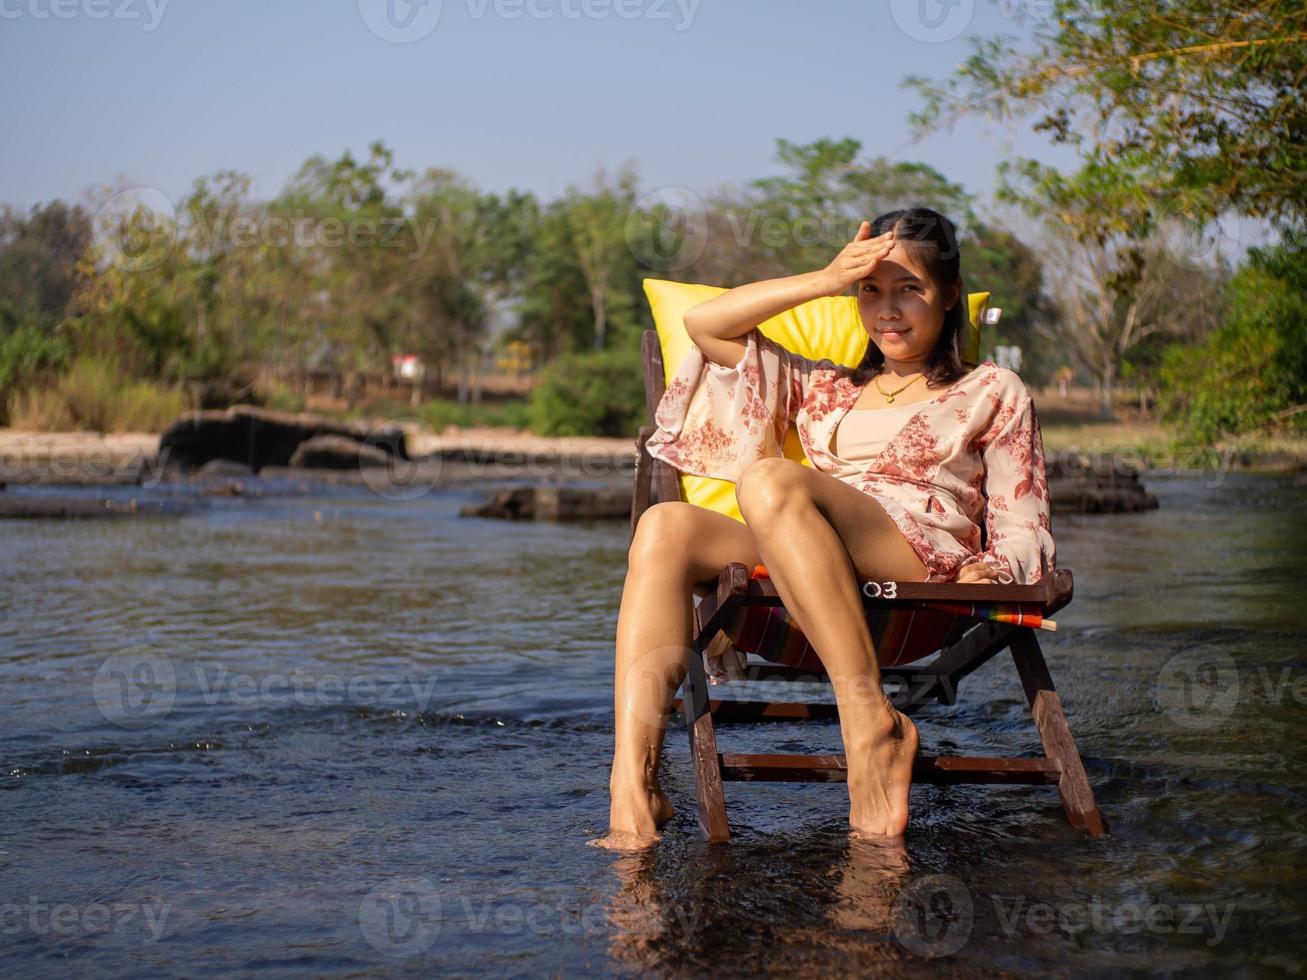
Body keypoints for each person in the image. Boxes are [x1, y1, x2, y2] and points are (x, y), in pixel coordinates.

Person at [589, 207, 1056, 852]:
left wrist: (996, 572)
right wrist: (826, 277)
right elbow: (705, 325)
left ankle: (869, 725)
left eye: (909, 290)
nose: (888, 311)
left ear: (949, 296)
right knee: (665, 527)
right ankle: (633, 787)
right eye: (873, 291)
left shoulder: (992, 389)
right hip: (808, 573)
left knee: (768, 481)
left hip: (917, 571)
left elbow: (1021, 514)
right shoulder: (825, 387)